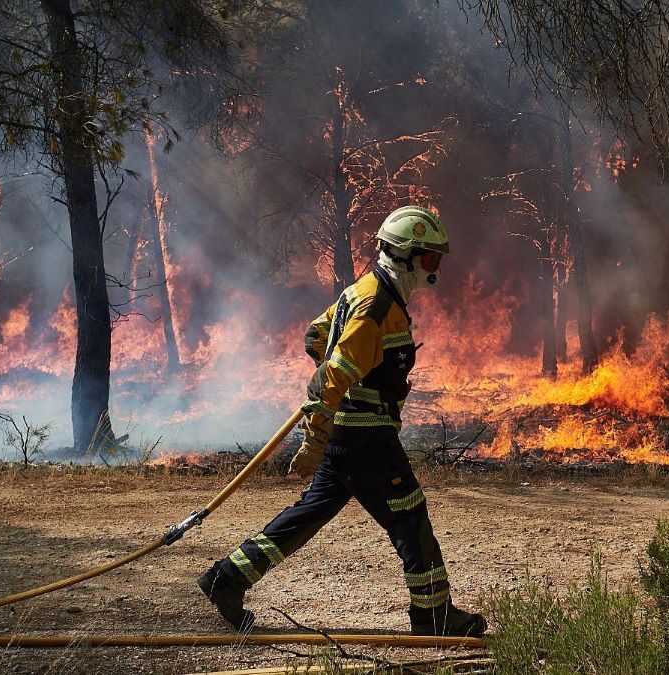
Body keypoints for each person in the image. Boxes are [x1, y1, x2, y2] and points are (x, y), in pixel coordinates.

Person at [198, 205, 487, 638]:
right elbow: (328, 376)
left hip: (350, 434)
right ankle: (433, 616)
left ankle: (228, 578)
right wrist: (315, 437)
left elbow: (315, 335)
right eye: (430, 258)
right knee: (411, 519)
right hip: (365, 438)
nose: (436, 268)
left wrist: (344, 379)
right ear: (406, 256)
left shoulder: (364, 291)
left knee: (309, 514)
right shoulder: (376, 305)